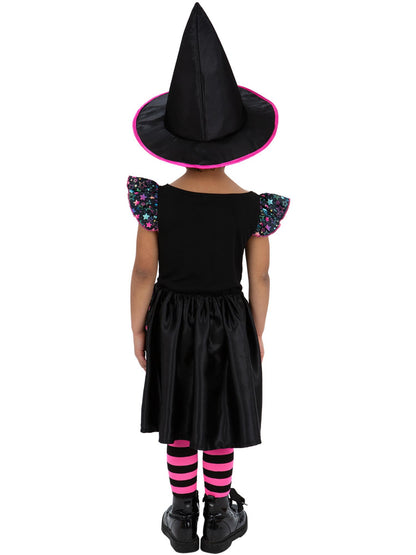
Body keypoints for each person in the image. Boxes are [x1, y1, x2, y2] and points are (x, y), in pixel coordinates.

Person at [126, 3, 290, 553]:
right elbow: (260, 277)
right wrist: (255, 331)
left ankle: (181, 514)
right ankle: (219, 517)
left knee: (179, 418)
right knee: (218, 420)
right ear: (237, 141)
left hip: (171, 320)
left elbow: (144, 271)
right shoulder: (253, 208)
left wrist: (138, 328)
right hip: (227, 321)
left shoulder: (155, 202)